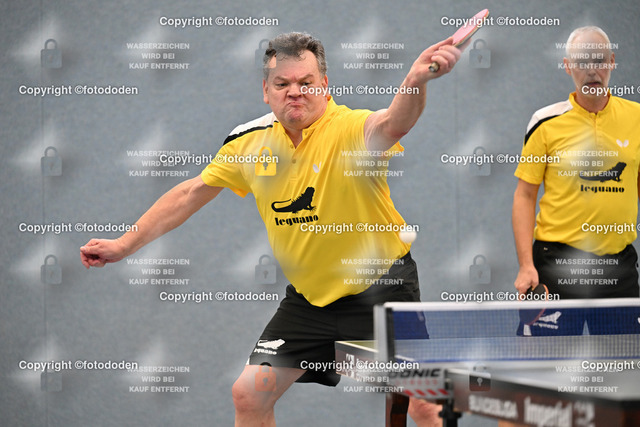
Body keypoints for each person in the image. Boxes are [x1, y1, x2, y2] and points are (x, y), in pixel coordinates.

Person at [81, 32, 463, 426]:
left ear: (324, 85)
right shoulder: (247, 143)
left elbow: (394, 122)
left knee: (422, 402)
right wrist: (123, 245)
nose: (294, 92)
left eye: (306, 82)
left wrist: (415, 81)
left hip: (382, 290)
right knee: (250, 394)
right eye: (282, 84)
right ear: (266, 91)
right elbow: (189, 193)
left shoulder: (352, 129)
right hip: (309, 301)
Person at [512, 26, 640, 336]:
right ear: (568, 66)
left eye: (599, 60)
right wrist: (526, 265)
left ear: (612, 61)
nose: (591, 70)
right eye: (582, 62)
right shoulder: (545, 122)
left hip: (618, 267)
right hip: (556, 266)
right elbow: (525, 196)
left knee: (623, 362)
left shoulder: (636, 117)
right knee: (543, 362)